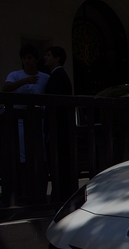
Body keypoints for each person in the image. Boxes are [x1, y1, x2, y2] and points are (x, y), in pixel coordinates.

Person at [2, 44, 50, 203]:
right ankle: (22, 192)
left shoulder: (45, 77)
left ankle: (38, 192)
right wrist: (24, 81)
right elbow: (6, 88)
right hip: (20, 123)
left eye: (30, 58)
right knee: (22, 158)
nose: (27, 61)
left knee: (39, 156)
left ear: (36, 59)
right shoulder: (15, 75)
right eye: (24, 58)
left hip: (38, 122)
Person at [43, 46, 74, 201]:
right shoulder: (58, 76)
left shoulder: (57, 77)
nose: (45, 57)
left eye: (48, 55)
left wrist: (49, 128)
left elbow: (54, 106)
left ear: (57, 58)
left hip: (58, 128)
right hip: (60, 128)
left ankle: (61, 195)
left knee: (58, 162)